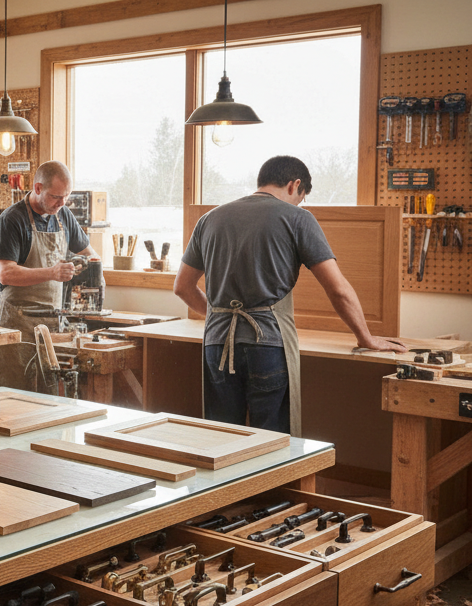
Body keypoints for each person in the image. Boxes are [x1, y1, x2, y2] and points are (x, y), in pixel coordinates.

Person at [174, 155, 407, 435]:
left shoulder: (209, 219)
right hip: (268, 345)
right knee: (272, 443)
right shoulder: (297, 218)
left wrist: (220, 316)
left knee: (222, 440)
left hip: (216, 344)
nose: (299, 204)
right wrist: (365, 338)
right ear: (294, 184)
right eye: (301, 197)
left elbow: (182, 287)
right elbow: (338, 289)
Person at [0, 161, 99, 391]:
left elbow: (90, 255)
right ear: (37, 188)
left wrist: (94, 273)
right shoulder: (12, 219)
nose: (62, 203)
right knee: (12, 393)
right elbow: (6, 273)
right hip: (18, 322)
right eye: (56, 197)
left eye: (66, 197)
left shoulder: (63, 215)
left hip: (52, 322)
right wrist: (52, 272)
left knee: (48, 395)